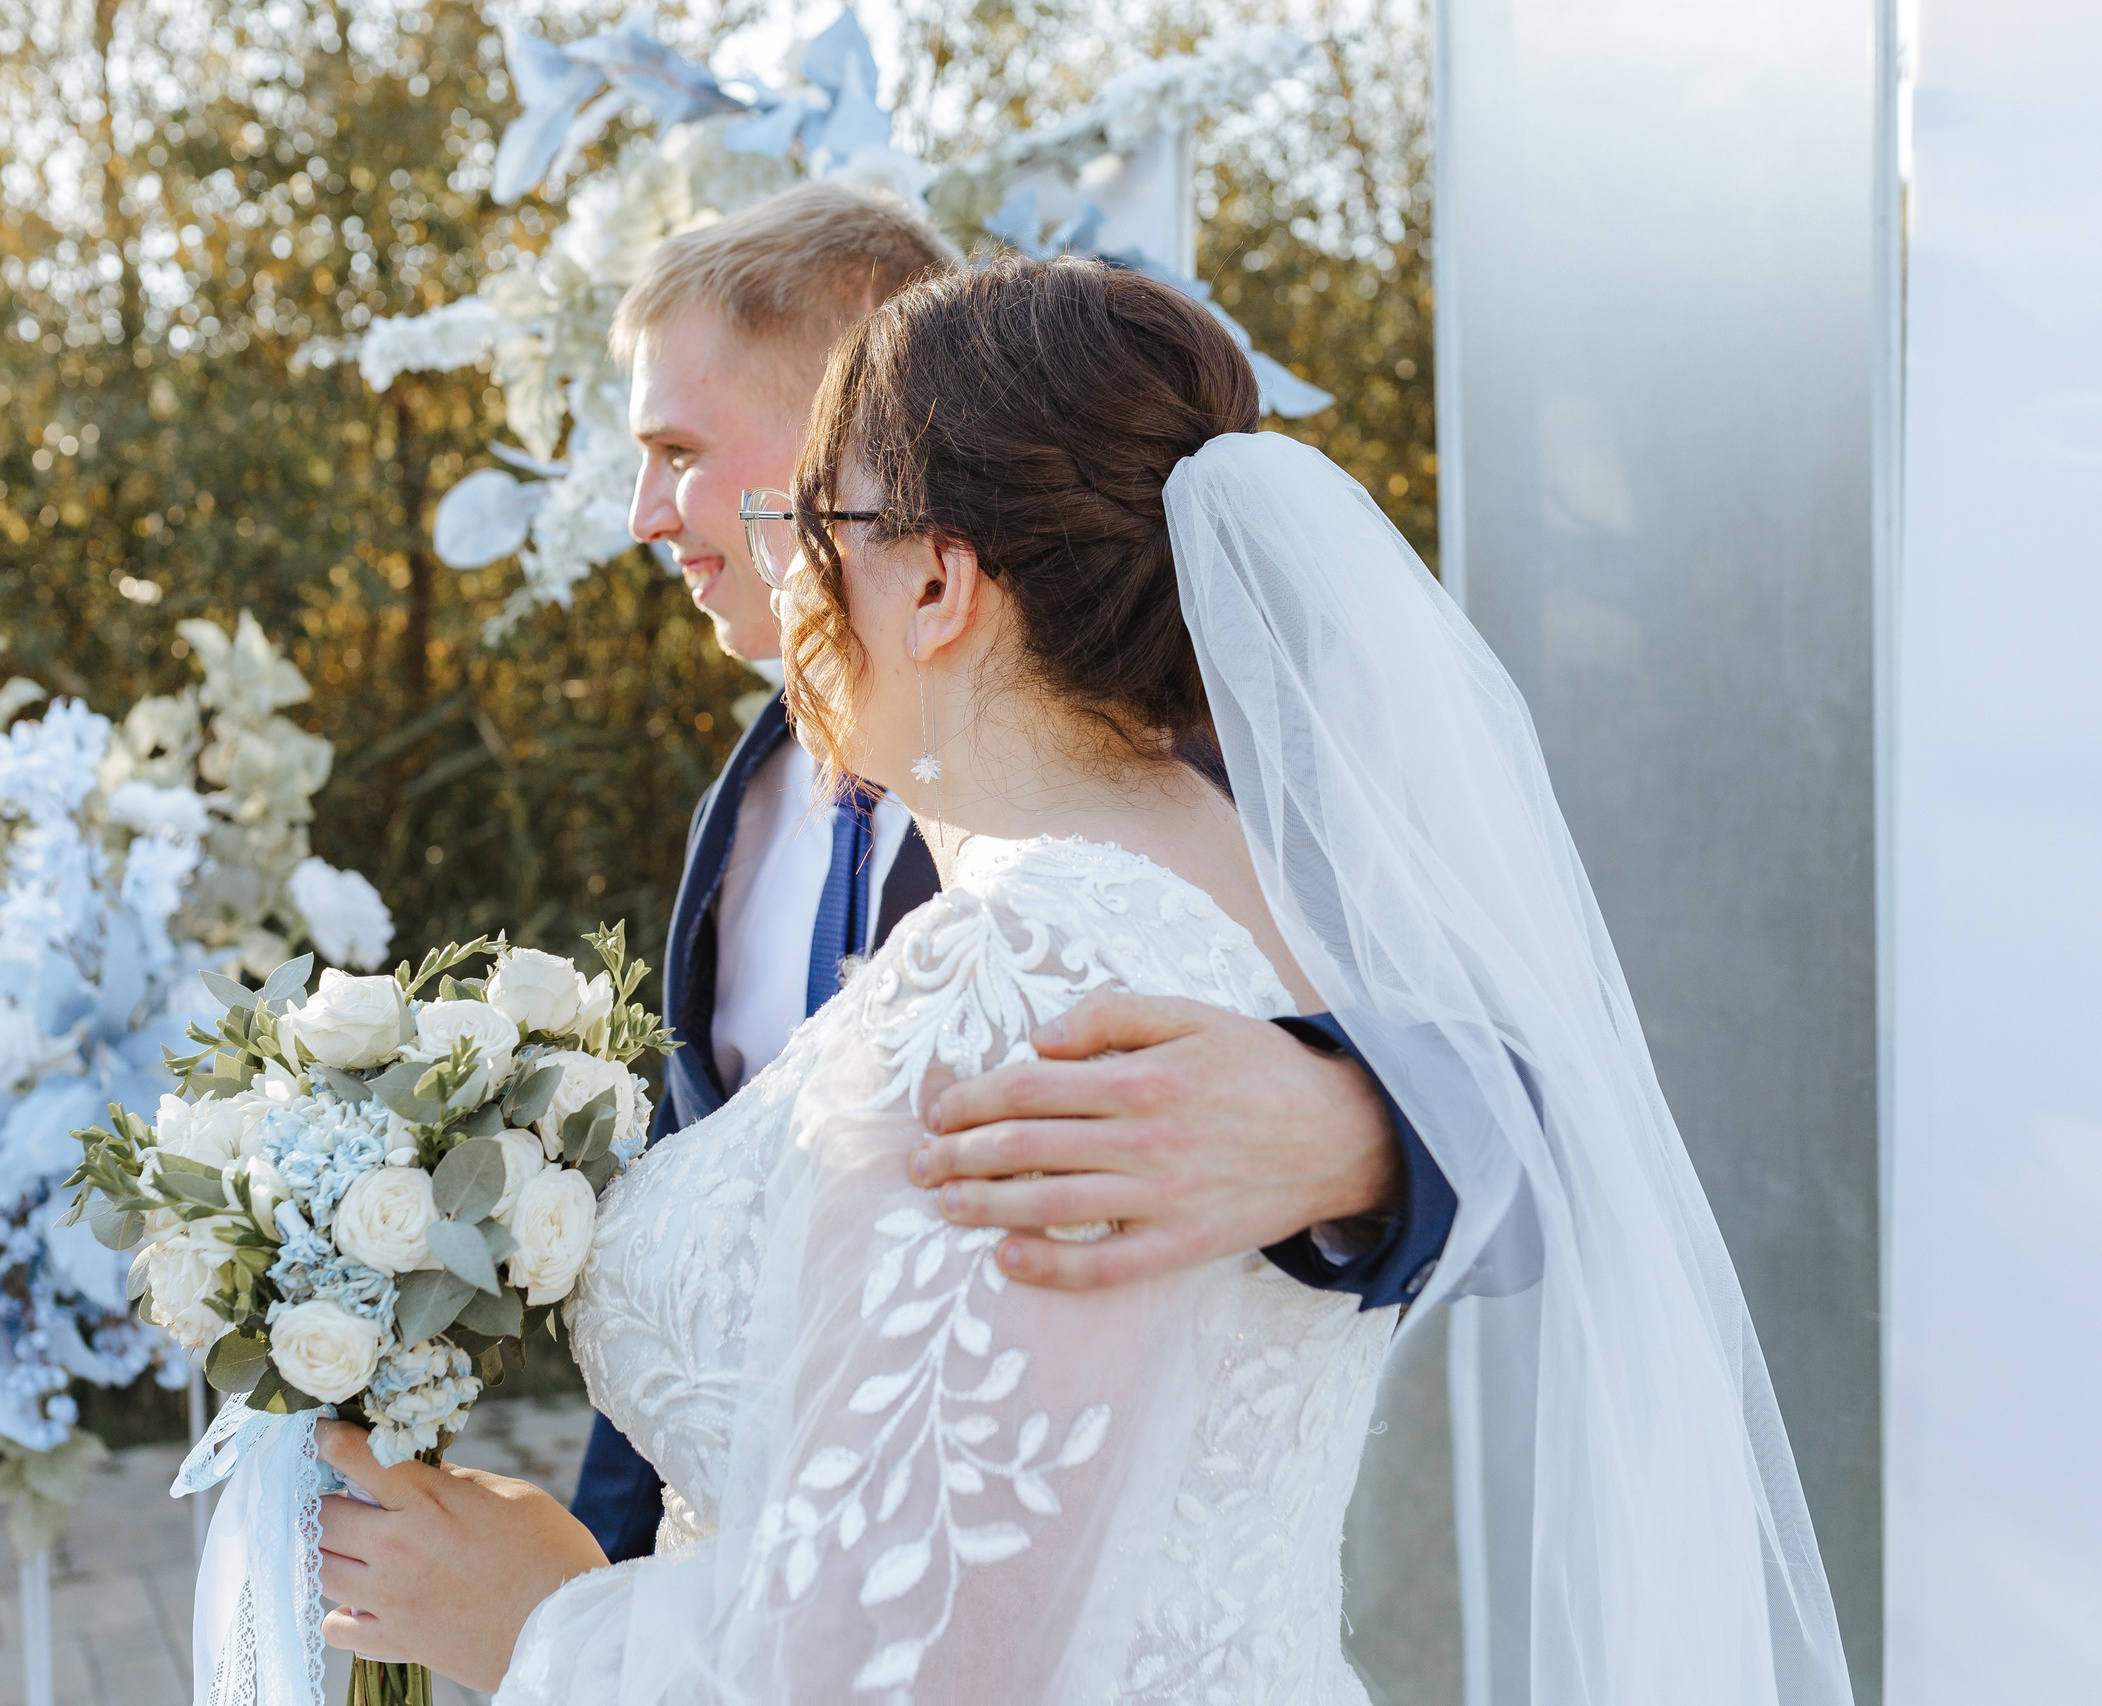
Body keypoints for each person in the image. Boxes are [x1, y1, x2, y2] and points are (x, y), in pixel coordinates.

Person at [312, 258, 1854, 1703]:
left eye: (812, 531)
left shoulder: (1029, 967)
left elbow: (914, 1660)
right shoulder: (1257, 896)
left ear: (934, 587)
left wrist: (534, 1620)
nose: (790, 594)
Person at [543, 180, 1456, 1570]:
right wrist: (597, 1590)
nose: (644, 514)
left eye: (679, 447)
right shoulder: (741, 803)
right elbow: (722, 1266)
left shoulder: (1195, 770)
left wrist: (1356, 1125)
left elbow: (1543, 1087)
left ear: (852, 417)